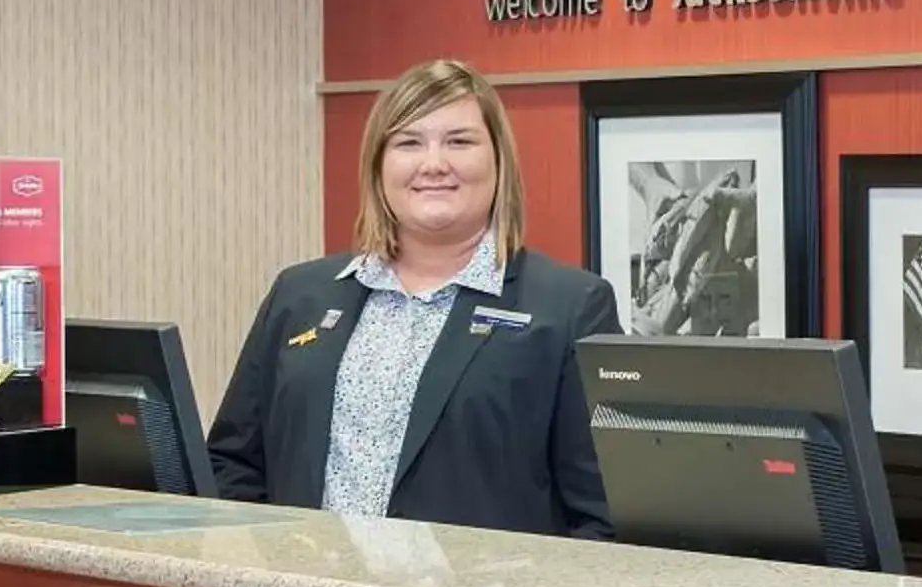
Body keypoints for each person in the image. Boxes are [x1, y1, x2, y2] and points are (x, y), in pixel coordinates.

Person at [209, 58, 621, 536]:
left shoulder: (570, 309)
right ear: (379, 165)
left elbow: (603, 512)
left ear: (498, 161)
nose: (433, 164)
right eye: (408, 142)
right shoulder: (300, 294)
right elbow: (232, 463)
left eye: (459, 141)